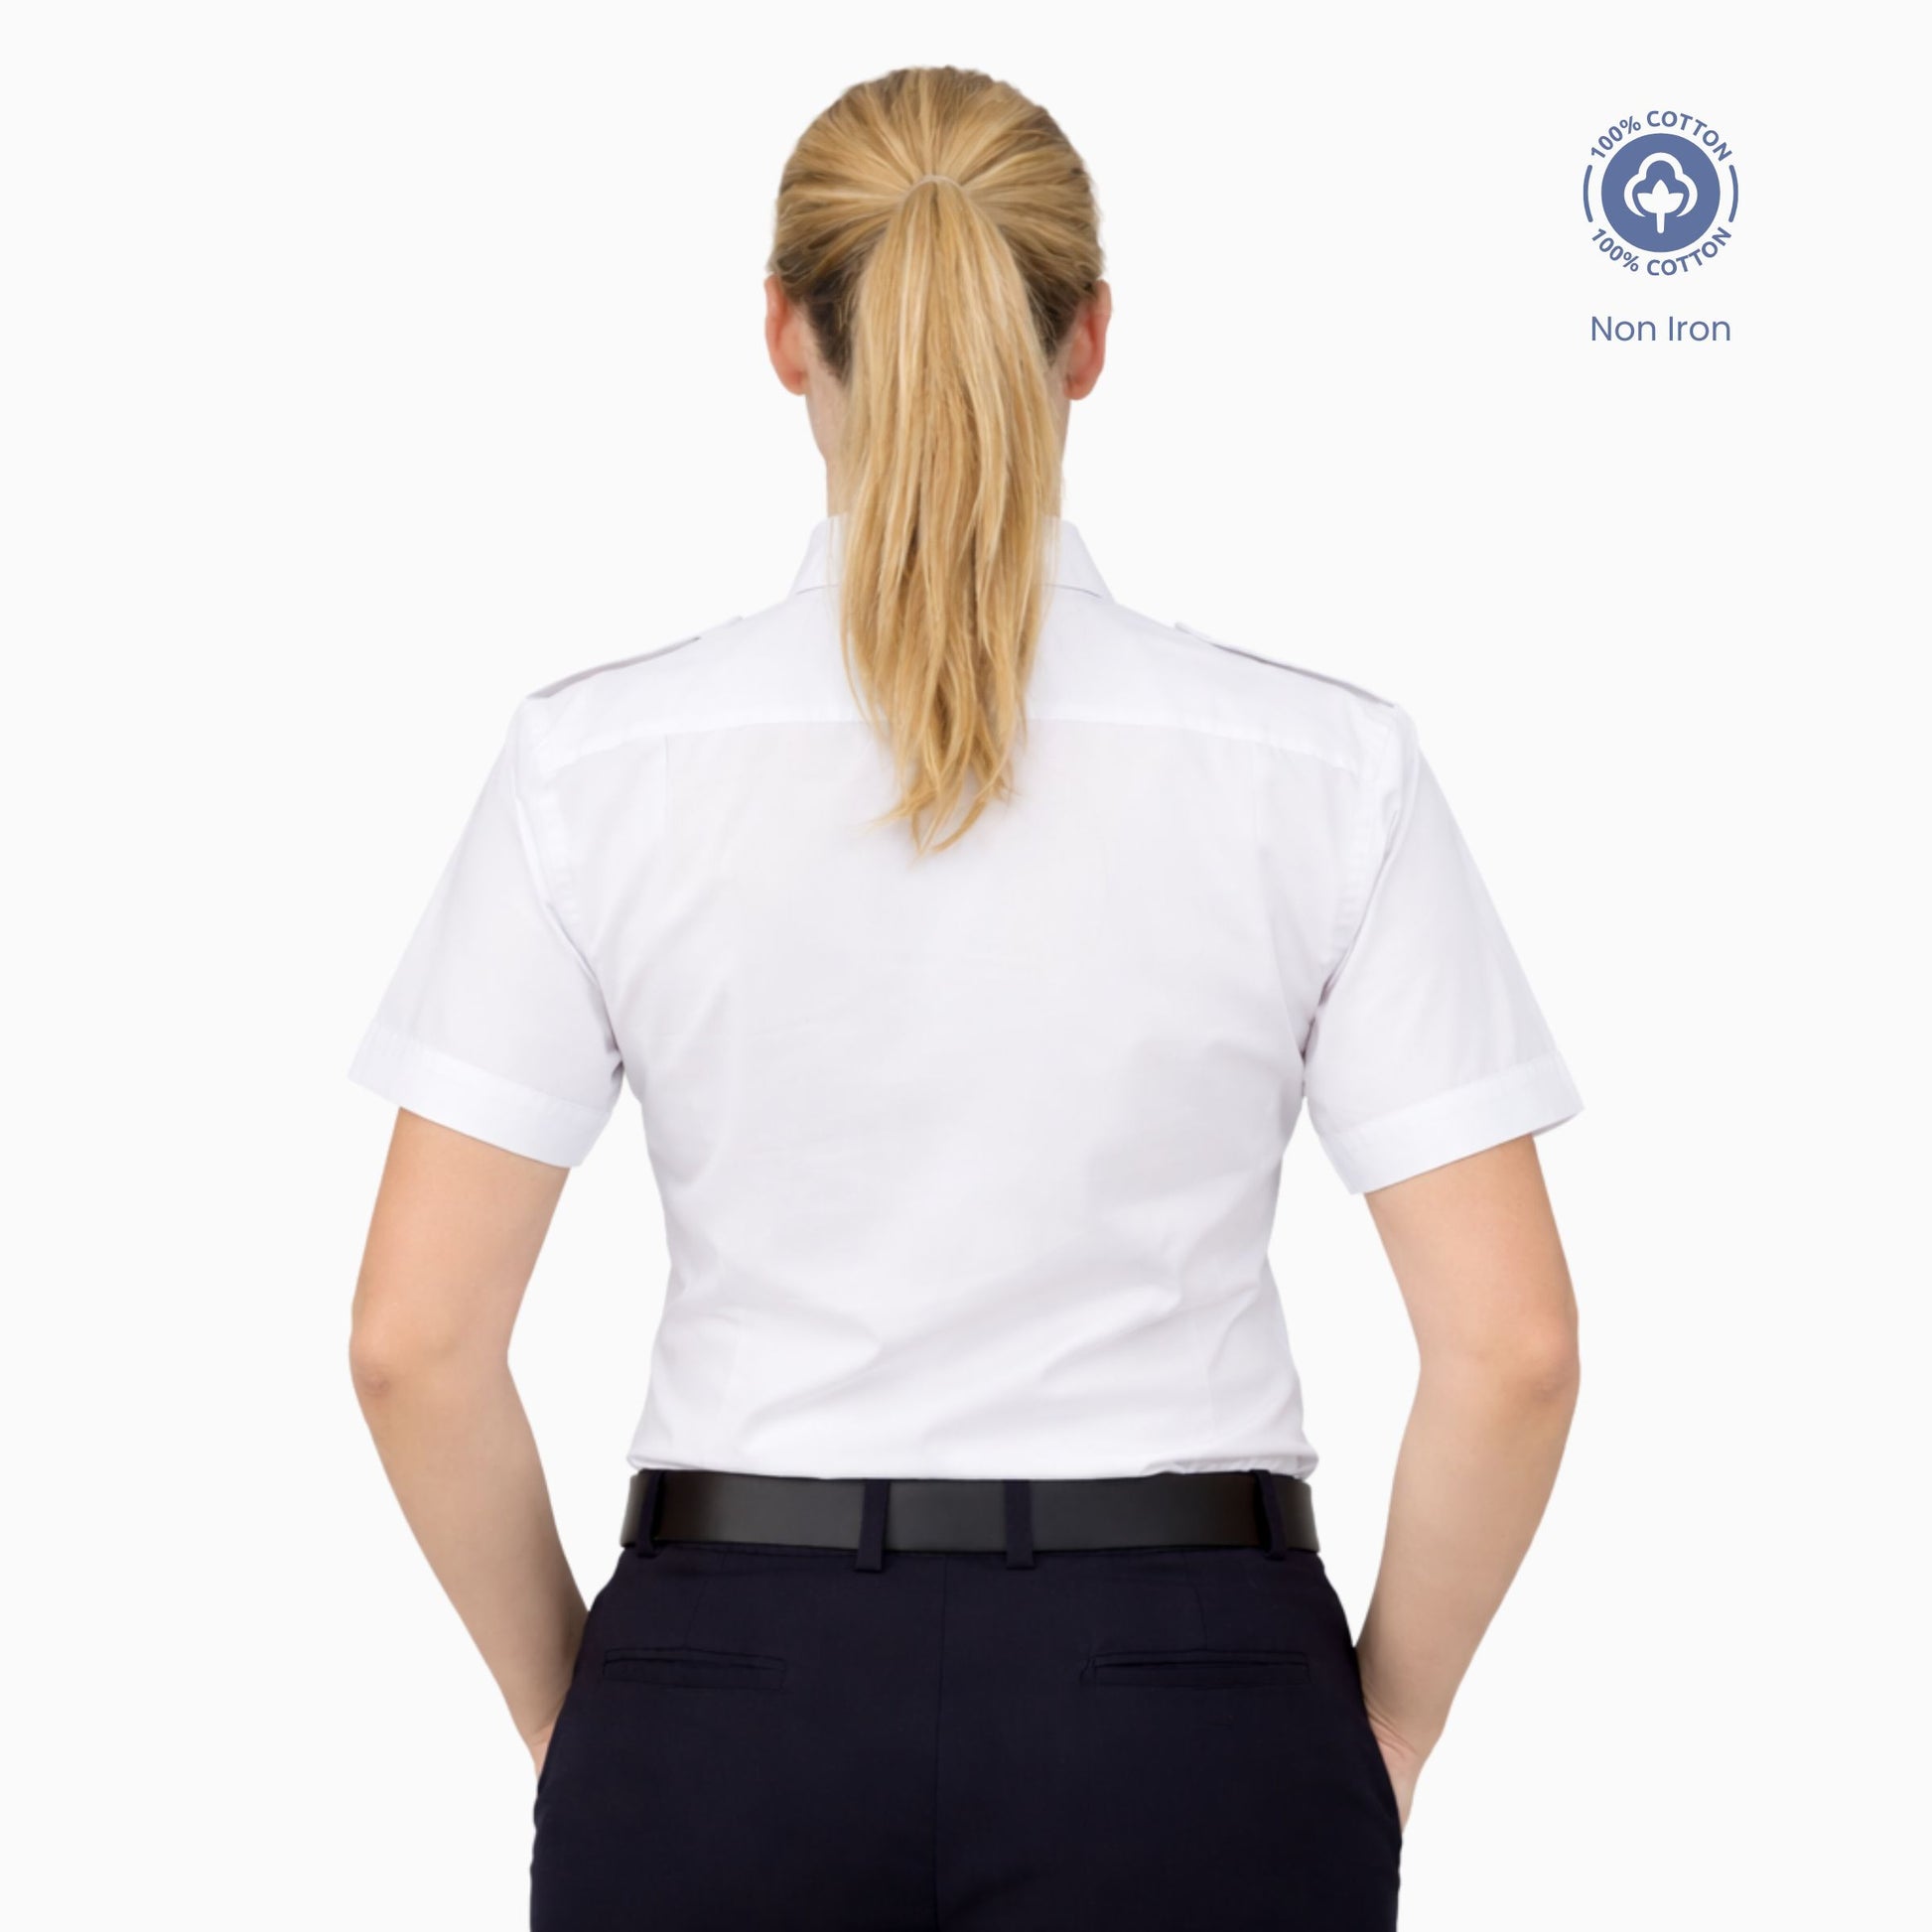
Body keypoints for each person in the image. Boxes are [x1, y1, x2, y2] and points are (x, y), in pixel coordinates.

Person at [346, 63, 1584, 1932]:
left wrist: (586, 1712)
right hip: (1188, 1699)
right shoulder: (1324, 770)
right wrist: (1377, 1727)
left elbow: (412, 1342)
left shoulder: (592, 767)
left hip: (728, 1689)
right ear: (1088, 338)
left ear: (784, 331)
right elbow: (1513, 1350)